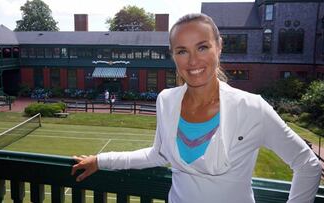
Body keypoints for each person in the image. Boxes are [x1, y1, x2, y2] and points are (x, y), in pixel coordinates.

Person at [72, 13, 321, 203]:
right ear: (173, 56)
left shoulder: (251, 107)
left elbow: (307, 164)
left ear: (219, 47)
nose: (192, 61)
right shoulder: (166, 100)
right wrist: (101, 161)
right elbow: (158, 154)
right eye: (182, 51)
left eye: (202, 47)